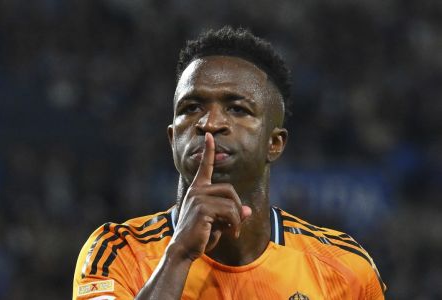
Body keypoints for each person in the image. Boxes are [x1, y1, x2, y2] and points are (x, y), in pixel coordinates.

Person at [73, 26, 386, 300]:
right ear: (172, 138)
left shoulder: (346, 270)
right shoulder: (117, 252)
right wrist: (179, 255)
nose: (210, 123)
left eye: (237, 109)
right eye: (192, 107)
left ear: (274, 144)